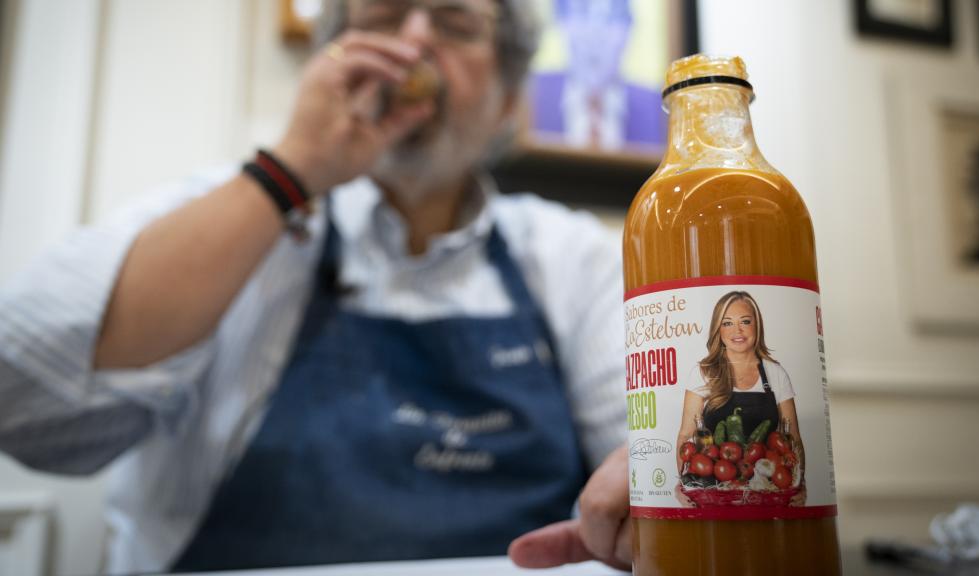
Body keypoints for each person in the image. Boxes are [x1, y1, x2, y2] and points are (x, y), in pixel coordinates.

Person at [0, 0, 631, 572]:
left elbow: (643, 454)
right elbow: (25, 399)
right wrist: (292, 168)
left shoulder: (571, 258)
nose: (413, 44)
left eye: (456, 24)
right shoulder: (236, 206)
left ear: (506, 98)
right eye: (382, 19)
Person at [674, 291, 806, 506]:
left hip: (768, 489)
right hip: (716, 491)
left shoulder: (775, 373)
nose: (738, 330)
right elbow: (685, 435)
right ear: (718, 329)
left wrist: (801, 484)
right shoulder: (704, 372)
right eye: (727, 323)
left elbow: (793, 436)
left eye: (745, 321)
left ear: (757, 326)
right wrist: (684, 486)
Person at [529, 0, 665, 150]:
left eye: (610, 18)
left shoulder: (658, 109)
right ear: (560, 23)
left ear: (629, 29)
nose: (595, 34)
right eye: (581, 13)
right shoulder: (530, 98)